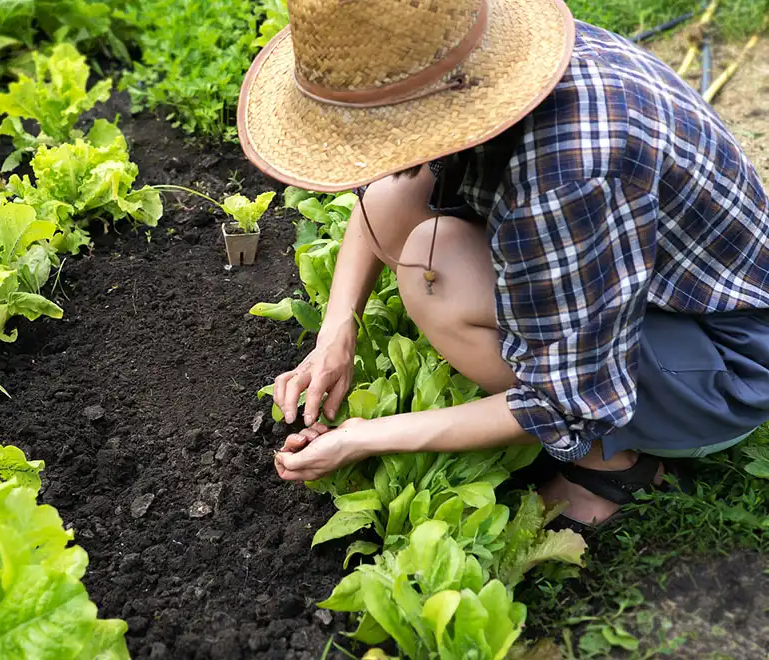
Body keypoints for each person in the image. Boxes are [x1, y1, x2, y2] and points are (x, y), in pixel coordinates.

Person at [236, 0, 769, 531]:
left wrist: (364, 436)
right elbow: (382, 199)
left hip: (723, 369)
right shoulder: (484, 66)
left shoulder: (563, 178)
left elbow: (565, 398)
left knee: (433, 271)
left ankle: (608, 467)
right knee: (394, 203)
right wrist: (335, 333)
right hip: (649, 285)